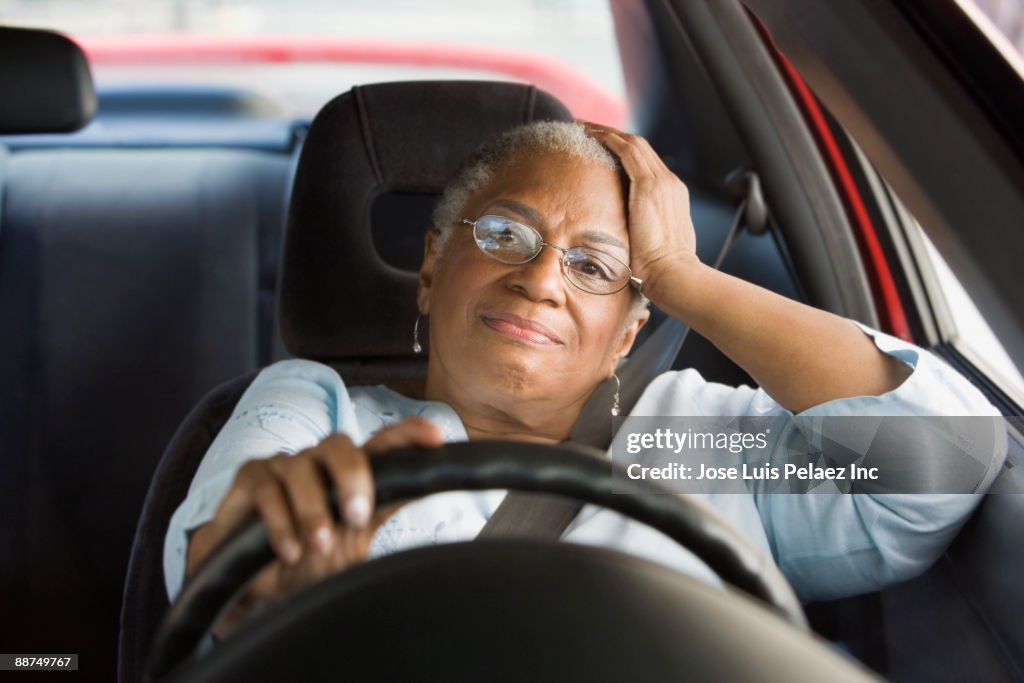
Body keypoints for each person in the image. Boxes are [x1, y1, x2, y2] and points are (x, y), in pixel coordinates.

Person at [164, 121, 1005, 635]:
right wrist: (271, 577)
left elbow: (943, 466)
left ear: (628, 331)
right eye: (503, 234)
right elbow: (219, 561)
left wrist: (682, 274)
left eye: (596, 268)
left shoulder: (696, 439)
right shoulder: (317, 405)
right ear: (430, 267)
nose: (540, 281)